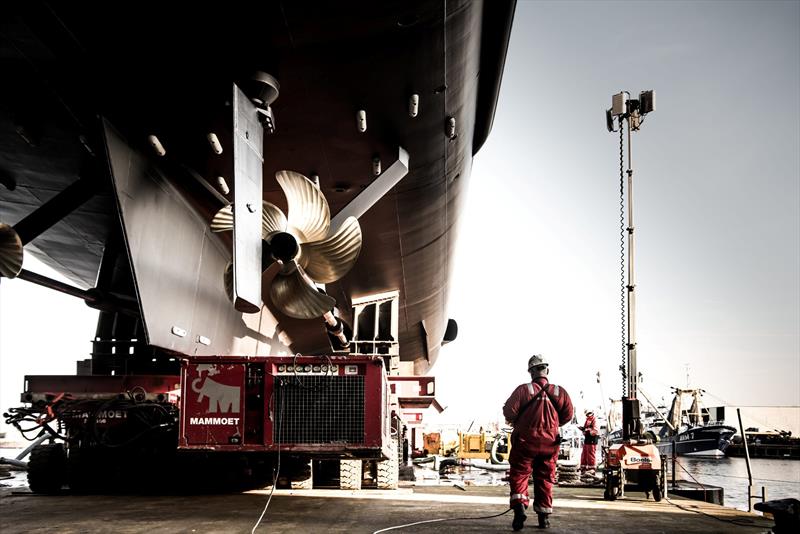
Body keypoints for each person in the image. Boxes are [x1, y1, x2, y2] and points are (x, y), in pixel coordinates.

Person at [503, 354, 574, 530]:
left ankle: (519, 507)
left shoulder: (523, 390)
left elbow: (509, 412)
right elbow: (568, 415)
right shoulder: (560, 392)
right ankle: (544, 518)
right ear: (547, 370)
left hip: (525, 441)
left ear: (531, 372)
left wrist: (521, 421)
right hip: (550, 444)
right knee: (545, 478)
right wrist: (551, 426)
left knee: (519, 474)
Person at [579, 410, 598, 475]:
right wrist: (583, 430)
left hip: (592, 439)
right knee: (584, 454)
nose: (587, 415)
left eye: (588, 413)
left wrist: (587, 430)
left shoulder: (594, 420)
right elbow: (586, 429)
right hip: (587, 438)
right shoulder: (587, 420)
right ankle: (583, 468)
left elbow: (595, 431)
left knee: (590, 454)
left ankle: (591, 469)